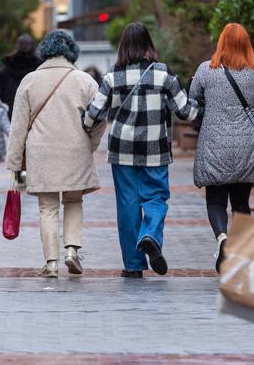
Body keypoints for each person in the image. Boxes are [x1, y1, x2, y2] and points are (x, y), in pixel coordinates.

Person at [83, 22, 198, 278]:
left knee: (127, 205)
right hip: (155, 149)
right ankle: (150, 234)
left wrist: (84, 122)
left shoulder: (112, 77)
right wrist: (200, 100)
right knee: (156, 197)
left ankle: (133, 266)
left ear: (123, 46)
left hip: (122, 150)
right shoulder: (163, 75)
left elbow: (92, 116)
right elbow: (186, 111)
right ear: (148, 45)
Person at [7, 31, 103, 278]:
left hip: (40, 154)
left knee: (47, 207)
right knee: (73, 201)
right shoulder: (85, 81)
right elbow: (101, 117)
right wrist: (91, 143)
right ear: (71, 52)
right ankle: (72, 250)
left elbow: (18, 126)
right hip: (76, 150)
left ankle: (51, 263)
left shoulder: (29, 81)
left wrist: (15, 163)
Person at [189, 23, 254, 272]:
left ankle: (222, 238)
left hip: (215, 143)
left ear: (221, 42)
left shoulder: (205, 70)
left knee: (216, 200)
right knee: (242, 203)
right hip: (246, 145)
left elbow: (192, 102)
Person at [0, 34, 43, 119]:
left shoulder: (6, 68)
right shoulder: (39, 68)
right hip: (34, 111)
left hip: (12, 110)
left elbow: (0, 94)